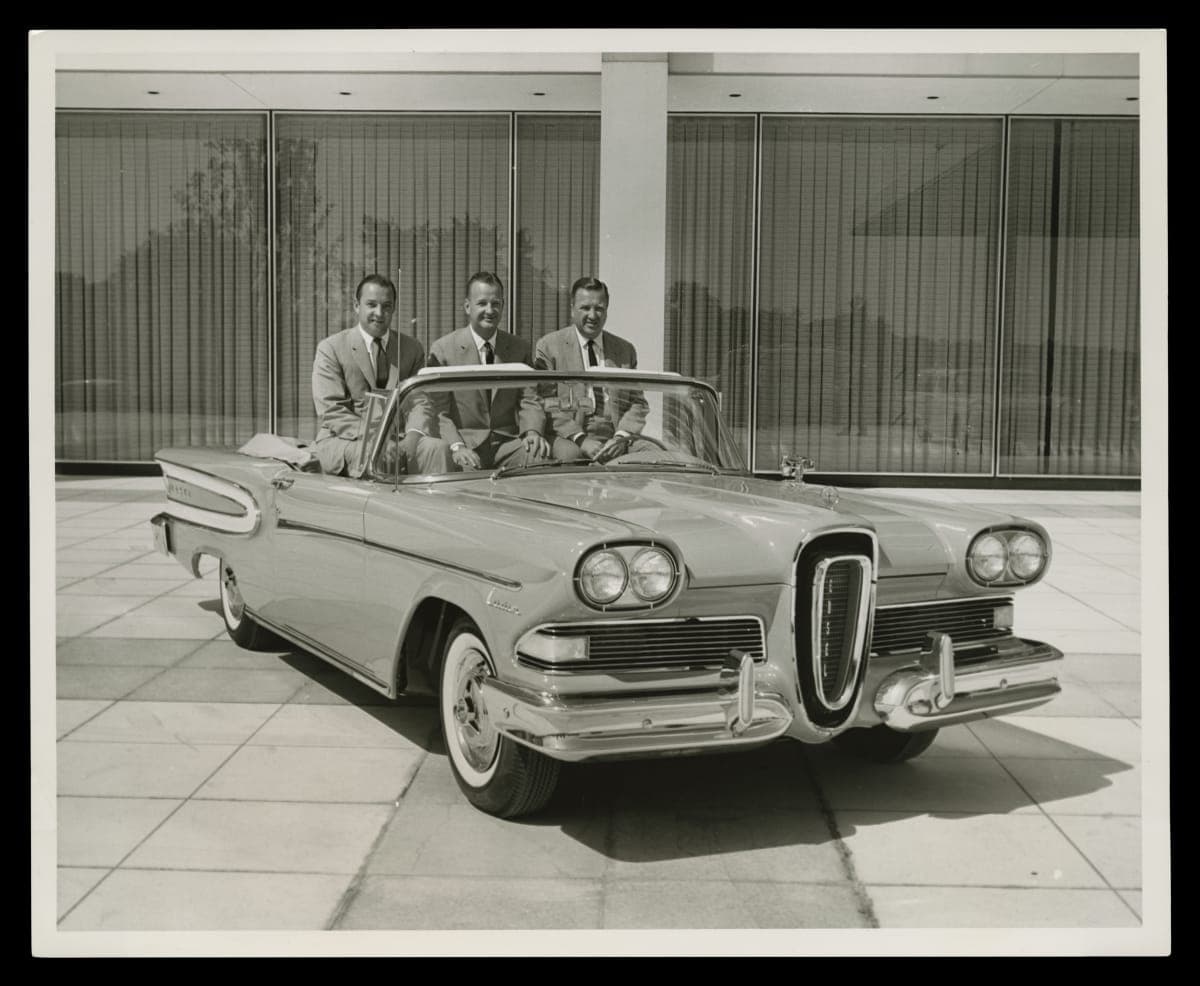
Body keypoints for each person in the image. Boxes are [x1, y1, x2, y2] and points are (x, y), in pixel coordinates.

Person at [311, 274, 450, 476]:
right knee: (376, 456)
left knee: (437, 449)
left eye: (386, 306)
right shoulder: (331, 348)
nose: (379, 313)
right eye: (371, 305)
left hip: (399, 438)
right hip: (347, 439)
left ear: (393, 308)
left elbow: (420, 401)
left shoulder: (411, 349)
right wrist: (378, 439)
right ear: (356, 306)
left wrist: (413, 436)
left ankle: (435, 499)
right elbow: (332, 411)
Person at [426, 272, 551, 471]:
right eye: (482, 303)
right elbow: (439, 411)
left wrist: (532, 432)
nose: (490, 310)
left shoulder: (519, 348)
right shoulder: (443, 350)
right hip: (465, 443)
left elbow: (529, 399)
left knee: (538, 456)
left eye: (496, 304)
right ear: (467, 306)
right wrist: (457, 446)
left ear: (503, 305)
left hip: (507, 443)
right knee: (463, 476)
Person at [533, 276, 649, 462]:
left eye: (599, 308)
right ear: (572, 309)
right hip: (570, 436)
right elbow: (546, 402)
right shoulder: (549, 347)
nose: (593, 315)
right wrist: (581, 439)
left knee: (654, 454)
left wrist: (621, 437)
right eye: (585, 308)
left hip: (616, 436)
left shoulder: (625, 350)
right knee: (571, 456)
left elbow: (638, 403)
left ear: (607, 310)